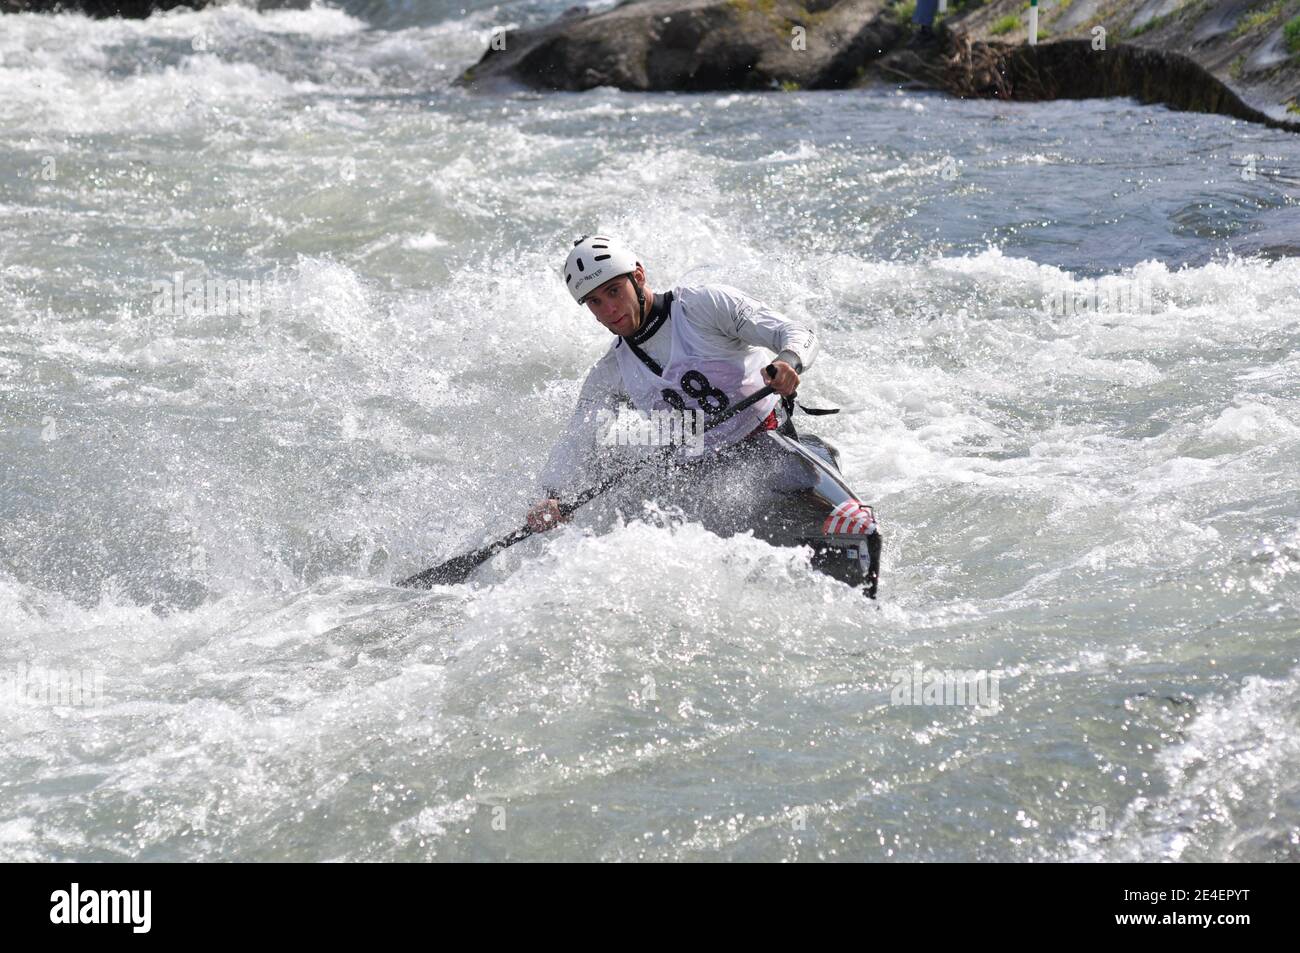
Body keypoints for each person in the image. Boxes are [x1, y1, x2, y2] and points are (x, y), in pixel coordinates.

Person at [525, 235, 819, 533]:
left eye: (614, 291)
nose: (609, 310)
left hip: (767, 437)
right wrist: (552, 497)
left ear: (638, 276)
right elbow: (578, 436)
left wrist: (787, 361)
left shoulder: (703, 306)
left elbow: (794, 332)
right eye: (595, 302)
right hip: (700, 472)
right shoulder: (610, 373)